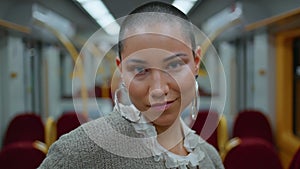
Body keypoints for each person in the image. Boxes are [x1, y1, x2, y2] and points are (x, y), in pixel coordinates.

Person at [39, 1, 224, 169]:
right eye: (140, 70)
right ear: (122, 72)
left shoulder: (210, 158)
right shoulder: (80, 152)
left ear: (196, 62)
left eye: (174, 65)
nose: (158, 89)